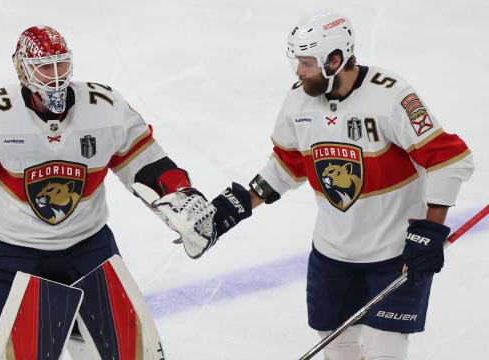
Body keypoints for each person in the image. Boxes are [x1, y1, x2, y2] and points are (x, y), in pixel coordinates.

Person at [154, 9, 475, 360]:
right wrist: (235, 207)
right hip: (332, 256)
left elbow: (450, 160)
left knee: (385, 352)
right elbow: (288, 164)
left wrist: (429, 230)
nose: (298, 71)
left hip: (394, 256)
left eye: (306, 62)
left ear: (335, 60)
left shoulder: (392, 96)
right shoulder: (298, 102)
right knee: (338, 351)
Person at [0, 25, 192, 357]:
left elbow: (145, 159)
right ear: (23, 70)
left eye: (61, 64)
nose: (55, 76)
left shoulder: (105, 106)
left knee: (133, 353)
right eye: (44, 66)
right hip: (9, 255)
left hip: (87, 248)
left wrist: (180, 193)